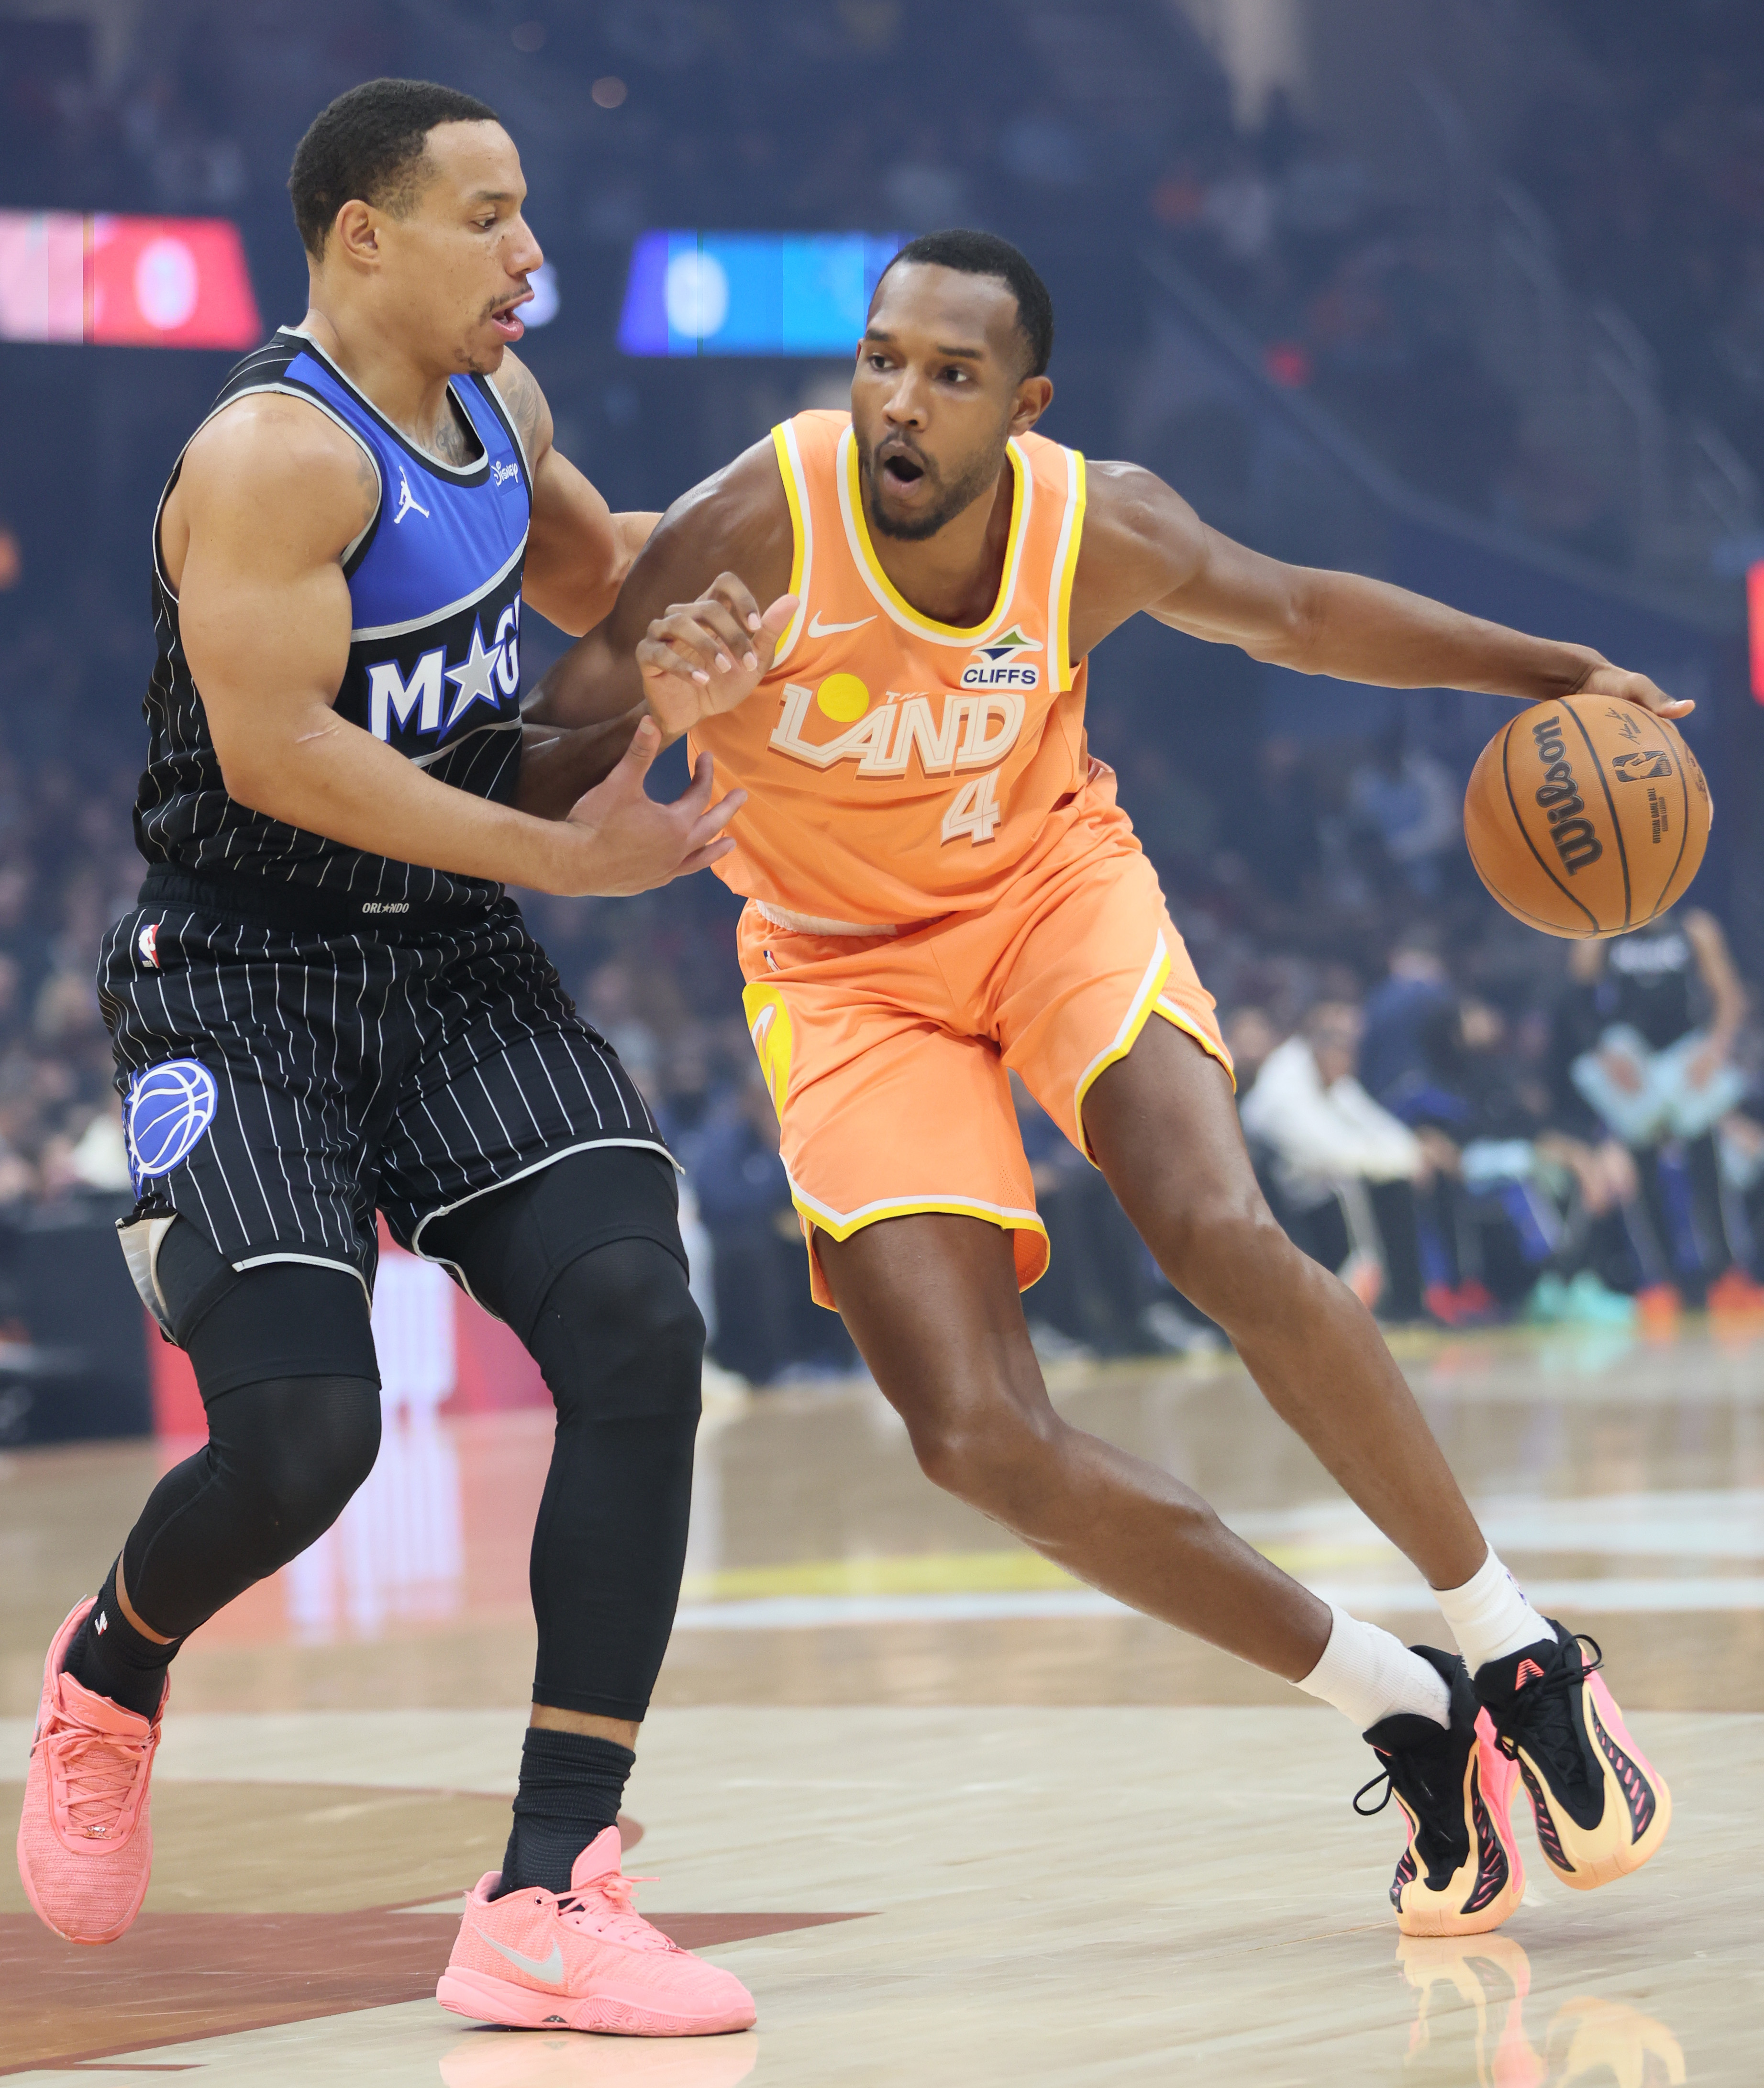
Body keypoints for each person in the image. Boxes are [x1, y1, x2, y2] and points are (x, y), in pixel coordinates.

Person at [534, 230, 1676, 1941]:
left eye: (950, 372)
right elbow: (545, 759)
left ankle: (1512, 1640)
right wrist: (645, 715)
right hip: (844, 971)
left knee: (1217, 1225)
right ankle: (1401, 1701)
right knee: (976, 1436)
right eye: (881, 358)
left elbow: (1294, 611)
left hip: (1049, 888)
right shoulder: (758, 517)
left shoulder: (1100, 524)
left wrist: (1549, 672)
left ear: (1025, 404)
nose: (899, 401)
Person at [16, 80, 757, 2039]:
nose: (534, 256)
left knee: (635, 1319)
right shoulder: (272, 453)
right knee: (305, 1441)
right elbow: (283, 760)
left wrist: (768, 609)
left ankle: (547, 1883)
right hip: (239, 974)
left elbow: (615, 584)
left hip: (444, 957)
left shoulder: (501, 418)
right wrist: (568, 852)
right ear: (362, 233)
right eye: (488, 218)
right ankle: (110, 1661)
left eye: (530, 217)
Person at [1566, 910, 1763, 1318]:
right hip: (1631, 1064)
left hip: (1686, 1055)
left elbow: (1728, 995)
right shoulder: (1605, 933)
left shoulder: (1694, 928)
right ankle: (1661, 1282)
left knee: (1707, 1170)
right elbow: (1577, 999)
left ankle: (1727, 1276)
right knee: (1642, 1177)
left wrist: (1715, 1048)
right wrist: (1603, 1053)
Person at [1239, 998, 1432, 1321]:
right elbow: (1332, 1153)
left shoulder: (1327, 1073)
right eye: (1345, 1043)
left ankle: (1407, 1306)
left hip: (1316, 1182)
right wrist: (1407, 1161)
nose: (1353, 1055)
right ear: (1321, 1041)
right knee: (1360, 1184)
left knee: (1393, 1183)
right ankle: (1352, 1309)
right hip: (1279, 1197)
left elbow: (1374, 1125)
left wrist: (1412, 1155)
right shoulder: (1282, 1086)